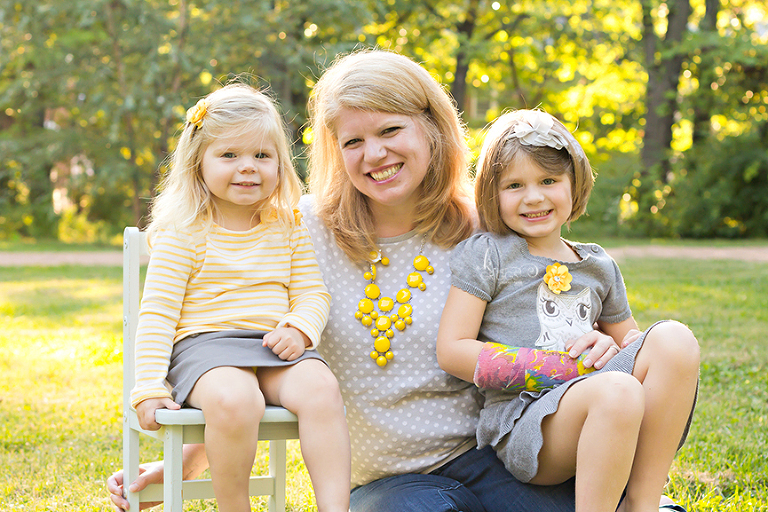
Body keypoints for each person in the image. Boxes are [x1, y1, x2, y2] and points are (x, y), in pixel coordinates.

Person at [108, 51, 680, 512]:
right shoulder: (299, 230)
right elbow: (243, 346)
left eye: (389, 129)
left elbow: (579, 309)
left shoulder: (489, 232)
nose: (373, 154)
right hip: (390, 485)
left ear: (432, 128)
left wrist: (598, 340)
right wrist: (186, 462)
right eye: (352, 141)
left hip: (493, 459)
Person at [436, 109, 699, 512]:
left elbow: (631, 343)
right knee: (617, 389)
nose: (534, 196)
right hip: (525, 422)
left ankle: (641, 505)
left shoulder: (597, 264)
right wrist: (561, 367)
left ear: (574, 184)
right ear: (491, 193)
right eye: (514, 185)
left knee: (673, 340)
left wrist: (609, 344)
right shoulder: (488, 255)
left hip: (603, 402)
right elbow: (452, 350)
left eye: (548, 180)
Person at [128, 83, 350, 512]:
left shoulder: (286, 225)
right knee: (236, 399)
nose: (247, 167)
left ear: (280, 165)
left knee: (322, 387)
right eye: (229, 155)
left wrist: (301, 328)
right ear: (198, 164)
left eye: (261, 156)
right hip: (205, 349)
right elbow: (156, 315)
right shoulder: (185, 232)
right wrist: (149, 387)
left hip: (272, 344)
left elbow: (311, 293)